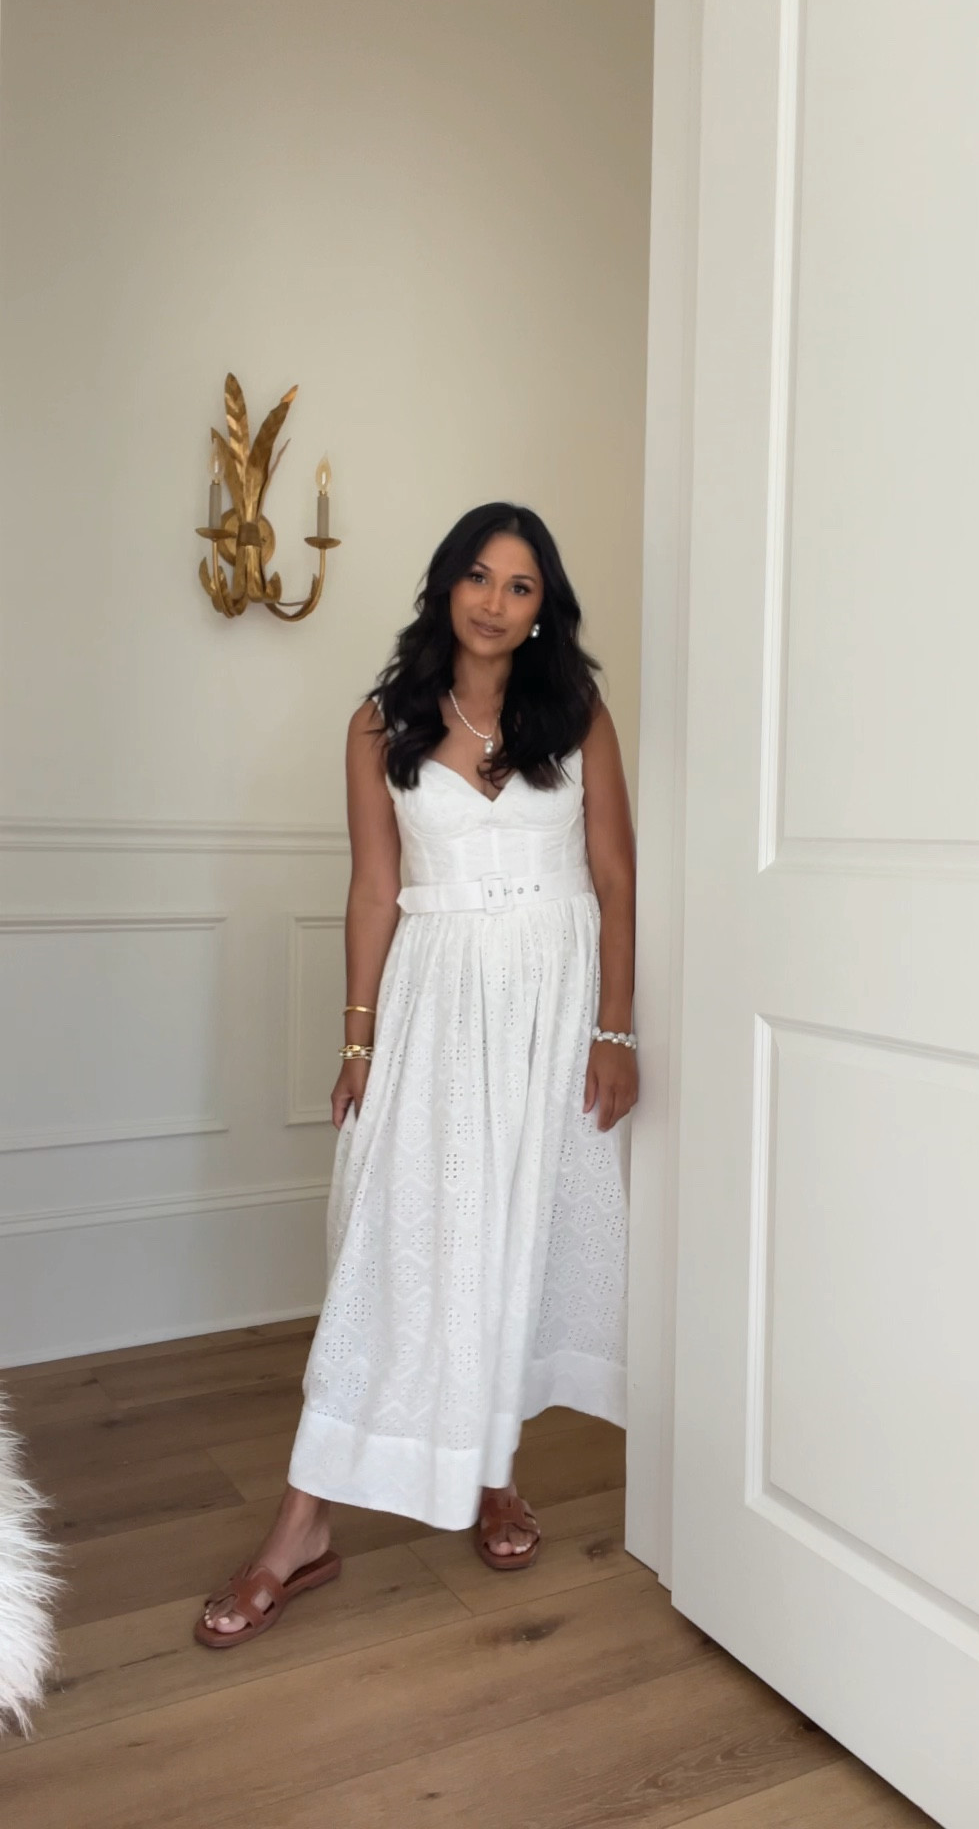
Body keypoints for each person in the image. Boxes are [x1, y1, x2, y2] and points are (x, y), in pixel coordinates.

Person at [196, 501, 637, 1646]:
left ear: (546, 609)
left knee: (514, 1239)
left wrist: (616, 1032)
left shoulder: (578, 716)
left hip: (551, 1003)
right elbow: (373, 891)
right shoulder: (379, 723)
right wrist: (357, 1040)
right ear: (446, 588)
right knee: (397, 1245)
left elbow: (618, 878)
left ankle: (489, 1470)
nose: (496, 601)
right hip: (435, 1003)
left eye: (522, 585)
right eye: (478, 577)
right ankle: (306, 1525)